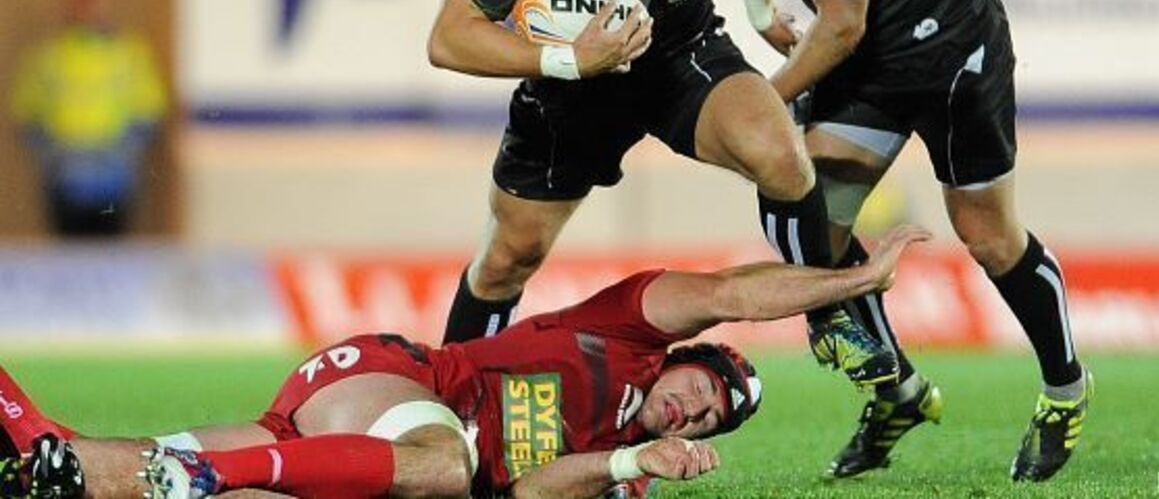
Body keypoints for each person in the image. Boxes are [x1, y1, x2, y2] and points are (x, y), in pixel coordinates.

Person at [427, 0, 992, 390]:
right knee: (507, 260)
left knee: (781, 154)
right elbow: (449, 39)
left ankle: (826, 317)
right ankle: (452, 394)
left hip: (679, 62)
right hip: (569, 90)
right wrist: (570, 59)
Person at [685, 0, 1093, 484]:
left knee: (988, 236)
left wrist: (761, 103)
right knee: (806, 212)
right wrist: (760, 9)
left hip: (947, 46)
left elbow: (842, 24)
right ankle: (898, 390)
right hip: (864, 64)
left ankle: (1066, 390)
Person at [0, 225, 932, 499]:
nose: (695, 410)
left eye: (712, 417)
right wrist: (855, 280)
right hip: (395, 381)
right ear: (679, 359)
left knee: (124, 468)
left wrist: (626, 462)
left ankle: (36, 447)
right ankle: (207, 473)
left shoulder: (624, 470)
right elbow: (732, 291)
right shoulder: (629, 328)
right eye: (702, 388)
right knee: (444, 464)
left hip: (350, 443)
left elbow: (527, 493)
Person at [8, 0, 168, 237]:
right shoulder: (48, 56)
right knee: (68, 252)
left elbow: (150, 110)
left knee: (110, 251)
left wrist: (124, 151)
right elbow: (25, 112)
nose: (89, 10)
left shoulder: (128, 54)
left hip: (115, 176)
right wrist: (51, 154)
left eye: (96, 2)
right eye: (82, 2)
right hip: (64, 177)